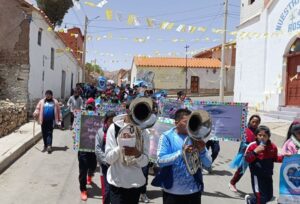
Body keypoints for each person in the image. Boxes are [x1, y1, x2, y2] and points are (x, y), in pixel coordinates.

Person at [156, 108, 212, 204]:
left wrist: (202, 150)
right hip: (172, 192)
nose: (189, 125)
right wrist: (181, 153)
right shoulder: (166, 137)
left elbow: (208, 163)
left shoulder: (196, 136)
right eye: (186, 122)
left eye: (190, 122)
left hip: (194, 191)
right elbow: (160, 161)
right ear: (176, 122)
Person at [105, 101, 150, 204]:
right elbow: (108, 159)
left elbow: (145, 163)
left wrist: (137, 153)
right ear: (127, 110)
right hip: (117, 184)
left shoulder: (144, 132)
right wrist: (121, 145)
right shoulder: (114, 128)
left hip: (135, 185)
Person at [244, 125, 283, 204]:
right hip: (257, 175)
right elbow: (247, 159)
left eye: (264, 135)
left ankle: (250, 201)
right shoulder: (253, 145)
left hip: (268, 175)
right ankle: (251, 201)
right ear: (256, 135)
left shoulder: (273, 146)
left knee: (269, 196)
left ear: (268, 137)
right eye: (259, 135)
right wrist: (255, 152)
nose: (262, 137)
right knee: (260, 197)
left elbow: (275, 158)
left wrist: (287, 158)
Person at [229, 115, 261, 192]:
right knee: (241, 170)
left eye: (257, 122)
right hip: (245, 154)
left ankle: (258, 189)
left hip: (255, 154)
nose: (254, 124)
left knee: (257, 172)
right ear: (250, 121)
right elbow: (243, 143)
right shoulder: (244, 130)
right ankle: (232, 183)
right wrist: (250, 146)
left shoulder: (259, 132)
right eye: (253, 121)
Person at [78, 99, 97, 201]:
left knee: (93, 166)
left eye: (92, 105)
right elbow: (75, 131)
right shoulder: (80, 115)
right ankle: (83, 189)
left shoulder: (98, 116)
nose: (90, 107)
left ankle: (90, 175)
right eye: (89, 105)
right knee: (82, 169)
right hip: (83, 147)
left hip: (93, 147)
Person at [95, 111, 116, 204]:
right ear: (106, 121)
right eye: (109, 121)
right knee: (106, 190)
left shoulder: (119, 132)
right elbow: (97, 149)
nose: (111, 123)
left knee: (115, 190)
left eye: (113, 121)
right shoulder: (100, 132)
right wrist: (106, 161)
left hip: (116, 165)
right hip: (105, 165)